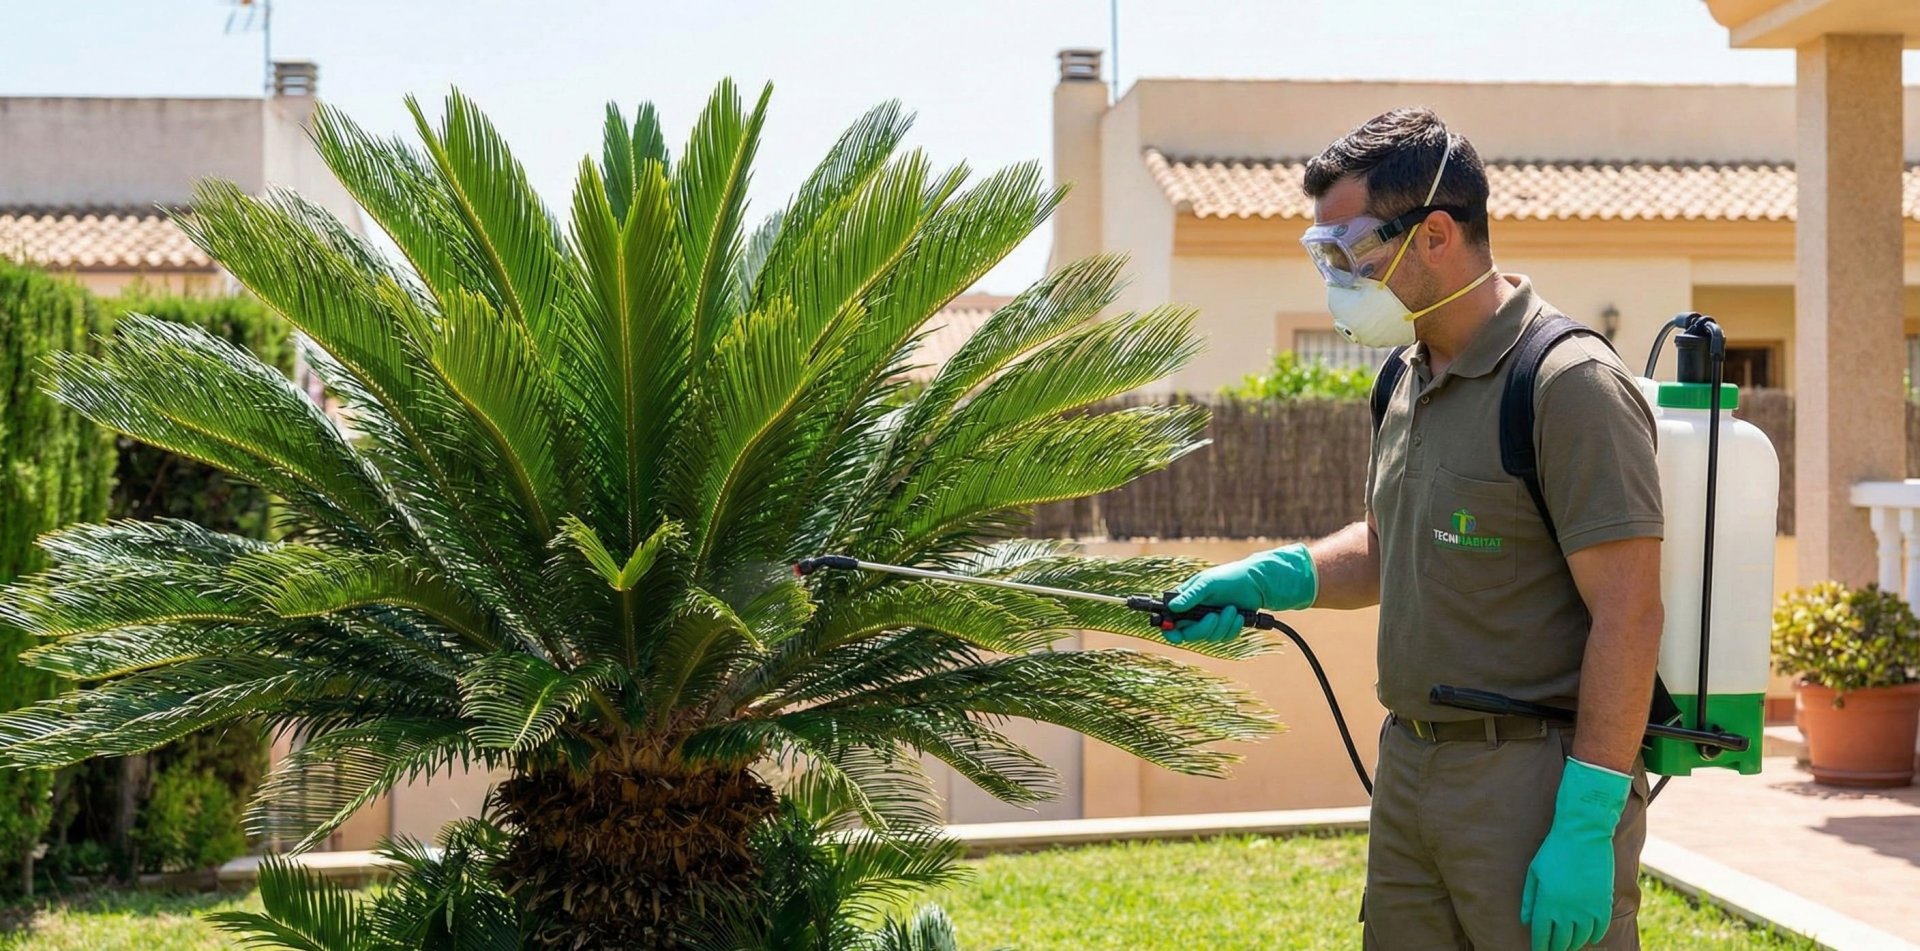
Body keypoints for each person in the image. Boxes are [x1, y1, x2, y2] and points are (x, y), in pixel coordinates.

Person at [1168, 108, 1665, 951]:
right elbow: (1386, 544)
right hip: (1410, 769)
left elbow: (1629, 613)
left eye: (1350, 247)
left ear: (1435, 232)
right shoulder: (1403, 374)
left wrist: (1585, 823)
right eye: (1321, 251)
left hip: (1533, 777)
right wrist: (1270, 576)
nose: (1336, 274)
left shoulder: (1566, 382)